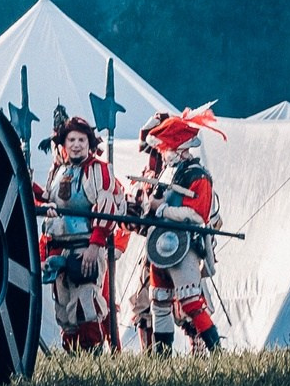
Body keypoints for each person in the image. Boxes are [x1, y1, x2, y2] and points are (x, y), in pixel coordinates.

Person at [127, 108, 223, 354]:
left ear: (180, 147)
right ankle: (162, 356)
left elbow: (196, 214)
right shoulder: (167, 172)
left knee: (191, 303)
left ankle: (215, 350)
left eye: (166, 148)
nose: (163, 153)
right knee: (158, 301)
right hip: (159, 245)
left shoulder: (198, 176)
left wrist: (163, 209)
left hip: (184, 245)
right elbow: (153, 204)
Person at [38, 113, 118, 354]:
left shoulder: (98, 170)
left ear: (89, 143)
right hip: (59, 249)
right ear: (64, 144)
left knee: (85, 305)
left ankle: (92, 358)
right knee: (64, 310)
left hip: (86, 247)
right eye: (71, 140)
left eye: (81, 140)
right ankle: (74, 362)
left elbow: (107, 208)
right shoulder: (56, 173)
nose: (76, 145)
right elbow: (47, 201)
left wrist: (95, 246)